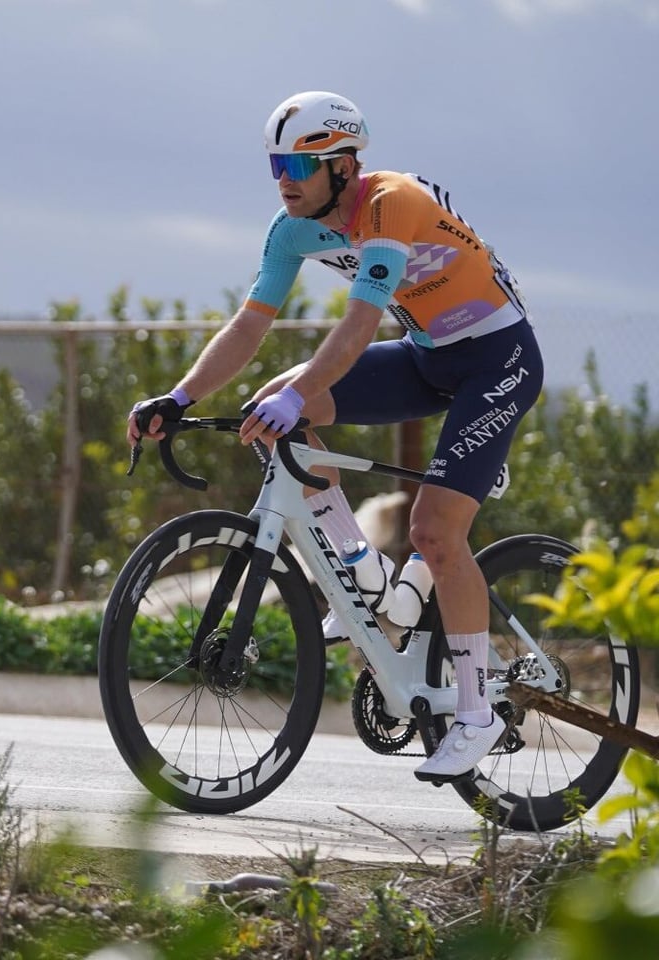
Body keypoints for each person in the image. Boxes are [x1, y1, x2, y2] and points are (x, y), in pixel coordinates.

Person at [125, 91, 541, 783]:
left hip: (498, 360)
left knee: (434, 532)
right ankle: (364, 572)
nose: (283, 180)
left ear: (343, 167)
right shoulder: (291, 229)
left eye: (296, 165)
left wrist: (300, 395)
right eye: (275, 166)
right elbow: (249, 326)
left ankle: (476, 715)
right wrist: (179, 396)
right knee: (271, 415)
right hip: (425, 358)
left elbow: (358, 324)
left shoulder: (390, 203)